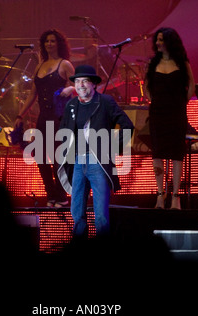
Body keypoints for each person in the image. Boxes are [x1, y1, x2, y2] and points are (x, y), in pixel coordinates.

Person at [58, 64, 134, 239]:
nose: (81, 85)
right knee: (77, 214)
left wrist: (112, 147)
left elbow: (127, 126)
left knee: (100, 216)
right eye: (77, 81)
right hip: (77, 162)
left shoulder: (105, 102)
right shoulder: (71, 105)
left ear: (93, 84)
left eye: (85, 81)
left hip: (97, 163)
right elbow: (63, 130)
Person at [15, 29, 75, 208]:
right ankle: (51, 195)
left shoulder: (65, 65)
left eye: (53, 41)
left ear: (59, 44)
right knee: (40, 157)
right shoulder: (39, 66)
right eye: (47, 41)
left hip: (59, 117)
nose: (49, 44)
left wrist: (70, 89)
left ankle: (62, 197)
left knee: (58, 159)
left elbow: (78, 87)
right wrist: (20, 115)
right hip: (43, 117)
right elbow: (33, 94)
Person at [145, 27, 195, 210]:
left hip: (176, 113)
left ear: (169, 42)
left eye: (161, 40)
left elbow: (191, 86)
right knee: (157, 153)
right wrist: (155, 102)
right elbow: (146, 86)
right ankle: (160, 195)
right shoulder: (153, 63)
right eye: (156, 39)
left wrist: (181, 103)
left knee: (176, 155)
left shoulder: (182, 63)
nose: (158, 43)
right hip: (158, 113)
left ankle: (175, 197)